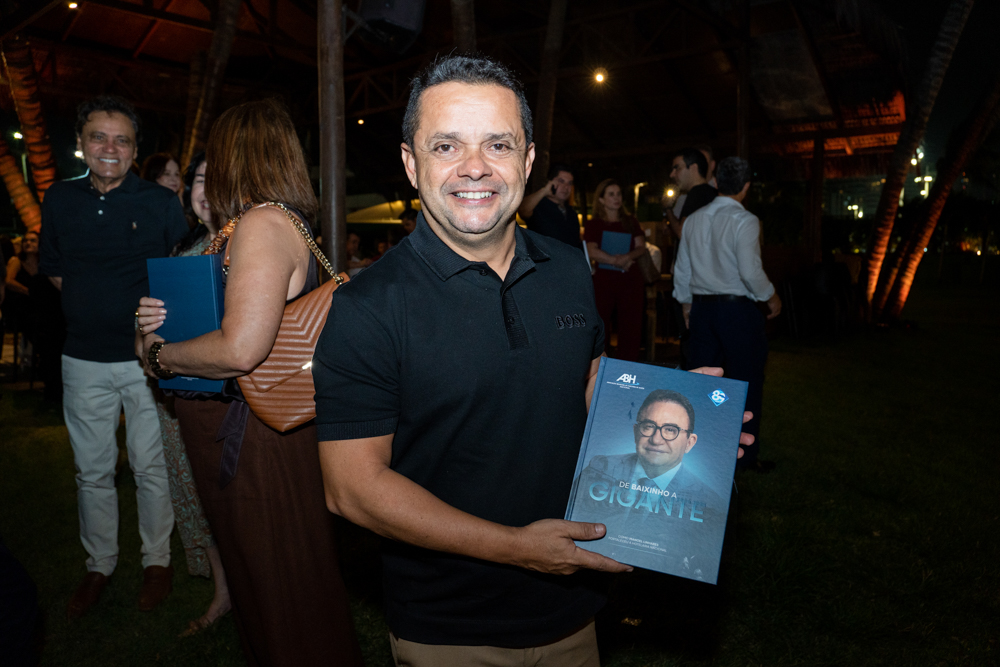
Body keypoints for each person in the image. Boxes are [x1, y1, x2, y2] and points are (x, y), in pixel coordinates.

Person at [134, 99, 363, 667]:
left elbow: (241, 348)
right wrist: (155, 328)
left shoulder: (263, 224)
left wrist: (161, 356)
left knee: (283, 590)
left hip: (257, 443)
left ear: (237, 156)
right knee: (267, 587)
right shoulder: (258, 224)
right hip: (242, 438)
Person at [38, 95, 187, 619]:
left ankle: (157, 561)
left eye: (122, 140)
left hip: (145, 360)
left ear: (134, 149)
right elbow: (55, 270)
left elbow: (178, 271)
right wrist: (92, 305)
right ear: (81, 144)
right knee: (92, 471)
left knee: (151, 466)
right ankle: (99, 565)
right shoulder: (59, 198)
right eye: (98, 137)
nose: (110, 148)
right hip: (81, 357)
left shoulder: (160, 202)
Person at [149, 153, 232, 636]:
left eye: (215, 179)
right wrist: (146, 323)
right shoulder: (181, 253)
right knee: (197, 497)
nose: (205, 189)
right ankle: (223, 593)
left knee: (237, 499)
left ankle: (258, 588)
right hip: (181, 396)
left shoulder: (250, 246)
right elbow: (152, 341)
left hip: (234, 401)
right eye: (198, 179)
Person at [673, 157, 781, 473]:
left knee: (702, 382)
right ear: (746, 187)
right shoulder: (745, 220)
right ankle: (743, 457)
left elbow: (682, 270)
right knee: (745, 382)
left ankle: (697, 452)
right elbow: (750, 270)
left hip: (703, 310)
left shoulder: (692, 220)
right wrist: (772, 297)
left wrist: (687, 306)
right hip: (737, 311)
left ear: (716, 182)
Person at [570, 389, 725, 556]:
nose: (656, 440)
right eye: (649, 426)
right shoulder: (600, 468)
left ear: (689, 442)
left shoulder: (710, 506)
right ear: (636, 432)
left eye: (670, 430)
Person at [584, 179, 648, 362]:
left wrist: (627, 257)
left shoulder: (630, 221)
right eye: (611, 194)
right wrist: (616, 261)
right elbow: (591, 250)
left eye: (618, 194)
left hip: (630, 280)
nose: (616, 198)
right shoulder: (594, 224)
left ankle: (628, 367)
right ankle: (600, 367)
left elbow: (641, 247)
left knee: (631, 326)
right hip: (604, 281)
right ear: (601, 199)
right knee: (601, 324)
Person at [517, 163, 582, 249]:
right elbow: (522, 209)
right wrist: (545, 190)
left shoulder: (572, 213)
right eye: (561, 181)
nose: (566, 187)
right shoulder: (539, 206)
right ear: (551, 182)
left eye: (570, 183)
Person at [664, 146, 717, 241]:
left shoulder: (697, 193)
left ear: (693, 168)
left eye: (677, 168)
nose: (672, 175)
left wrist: (668, 209)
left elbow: (682, 233)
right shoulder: (712, 193)